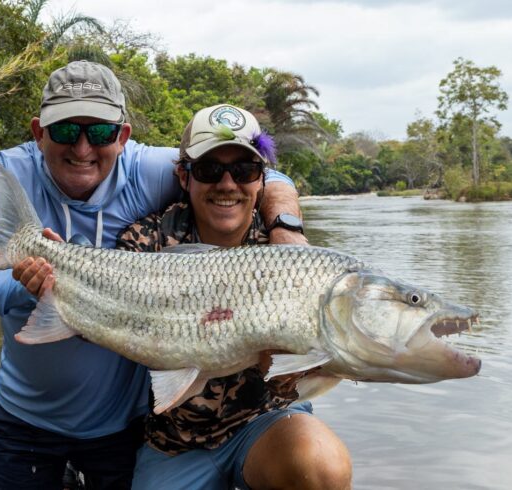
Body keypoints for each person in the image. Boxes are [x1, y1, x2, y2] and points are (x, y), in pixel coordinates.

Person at [0, 61, 306, 490]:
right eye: (66, 131)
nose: (83, 149)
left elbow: (256, 171)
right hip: (25, 417)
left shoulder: (145, 170)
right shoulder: (12, 172)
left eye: (100, 133)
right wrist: (35, 288)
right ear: (39, 133)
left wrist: (286, 231)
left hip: (118, 425)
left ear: (123, 136)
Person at [116, 104, 352, 490]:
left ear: (261, 180)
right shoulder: (145, 242)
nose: (227, 184)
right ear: (184, 175)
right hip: (173, 441)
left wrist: (296, 366)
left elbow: (301, 381)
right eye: (210, 170)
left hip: (264, 423)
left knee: (320, 467)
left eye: (244, 171)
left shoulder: (292, 254)